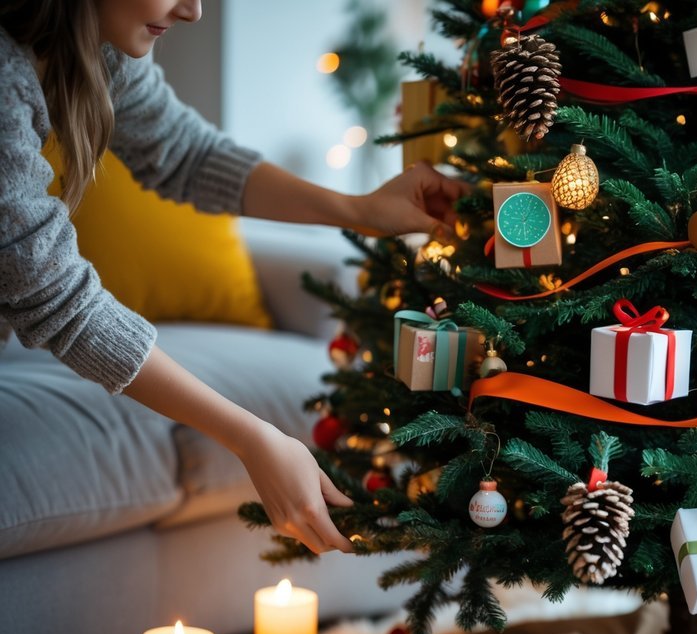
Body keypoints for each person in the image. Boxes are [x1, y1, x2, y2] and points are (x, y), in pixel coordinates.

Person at [0, 0, 467, 554]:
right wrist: (252, 438)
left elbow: (186, 154)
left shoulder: (95, 43)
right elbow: (55, 297)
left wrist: (359, 209)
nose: (194, 11)